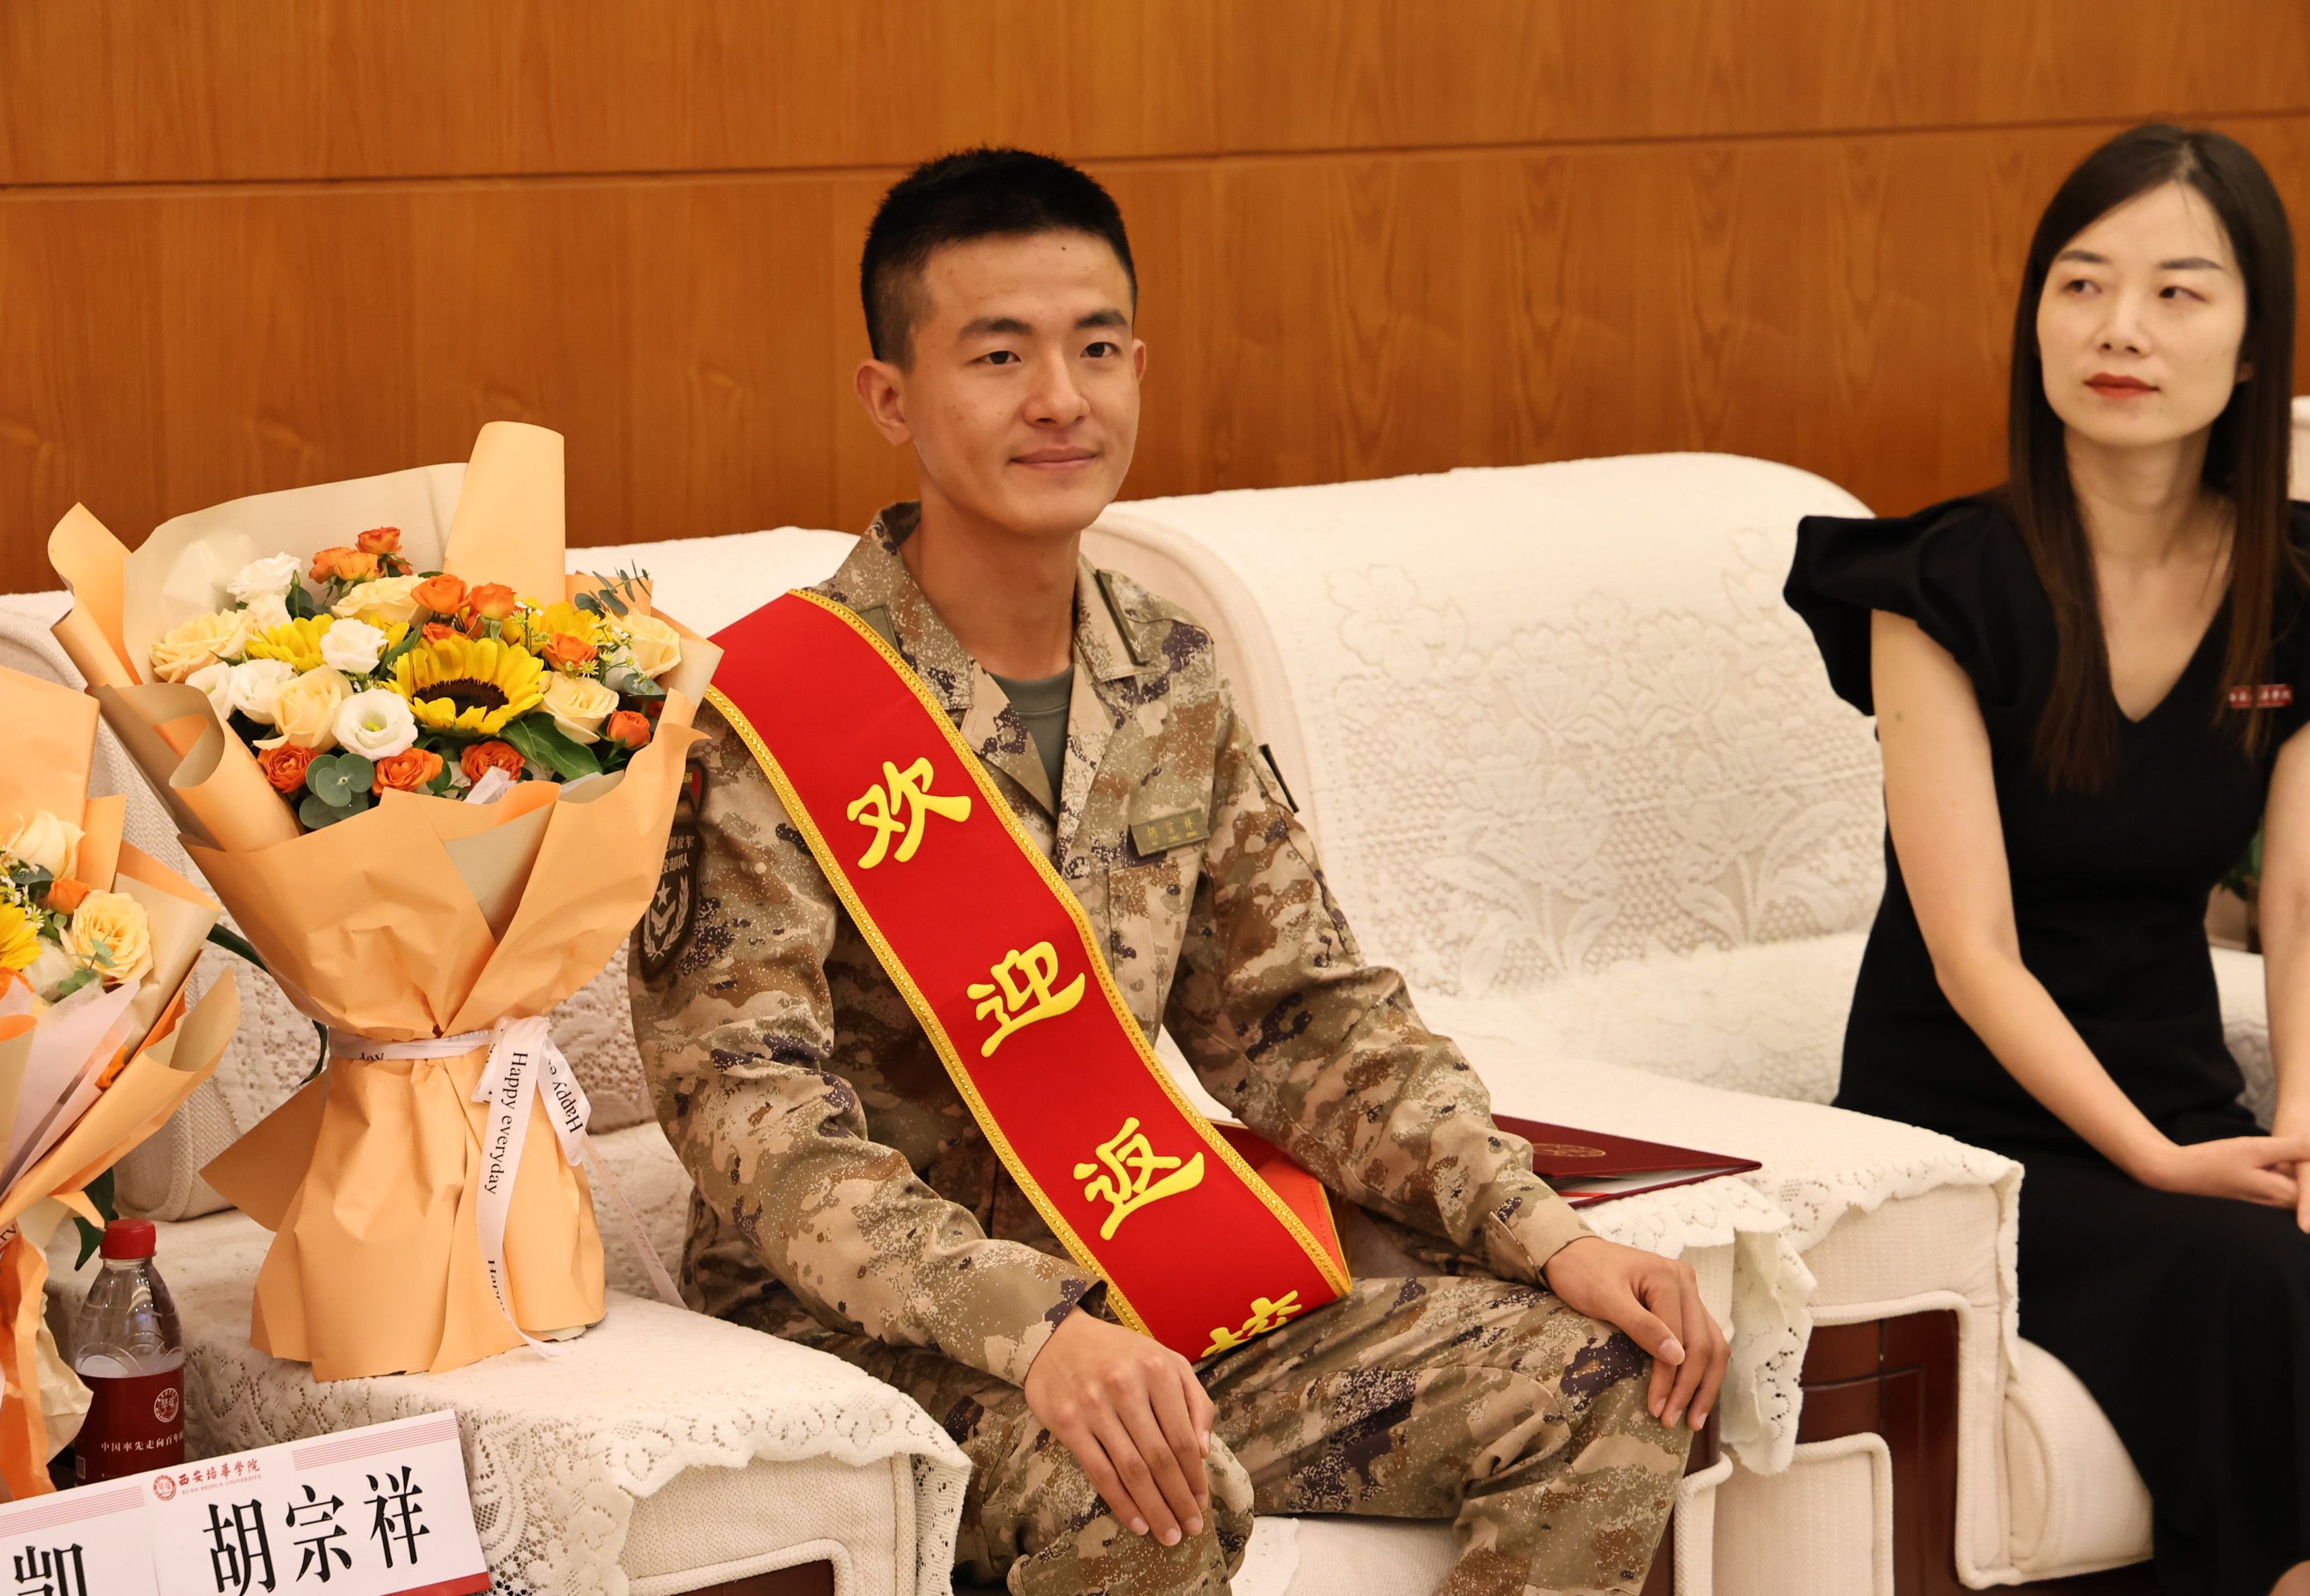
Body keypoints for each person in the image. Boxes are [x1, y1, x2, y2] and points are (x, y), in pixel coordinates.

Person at [631, 146, 1723, 1595]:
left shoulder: (1170, 674)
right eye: (999, 356)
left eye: (1095, 349)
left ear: (1139, 368)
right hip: (869, 1333)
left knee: (1610, 1373)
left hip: (1150, 1280)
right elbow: (748, 1115)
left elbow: (1307, 1026)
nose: (1059, 399)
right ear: (890, 397)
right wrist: (1031, 1328)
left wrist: (1545, 1235)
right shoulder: (766, 709)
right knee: (1143, 1490)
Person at [1785, 124, 2310, 1596]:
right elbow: (1971, 952)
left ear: (2254, 346)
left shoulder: (2294, 581)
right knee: (2253, 1275)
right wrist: (2155, 1161)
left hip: (2180, 1091)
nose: (2119, 329)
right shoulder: (1937, 586)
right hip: (1965, 1132)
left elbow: (2298, 901)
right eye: (2081, 285)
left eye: (2177, 292)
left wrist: (2302, 1125)